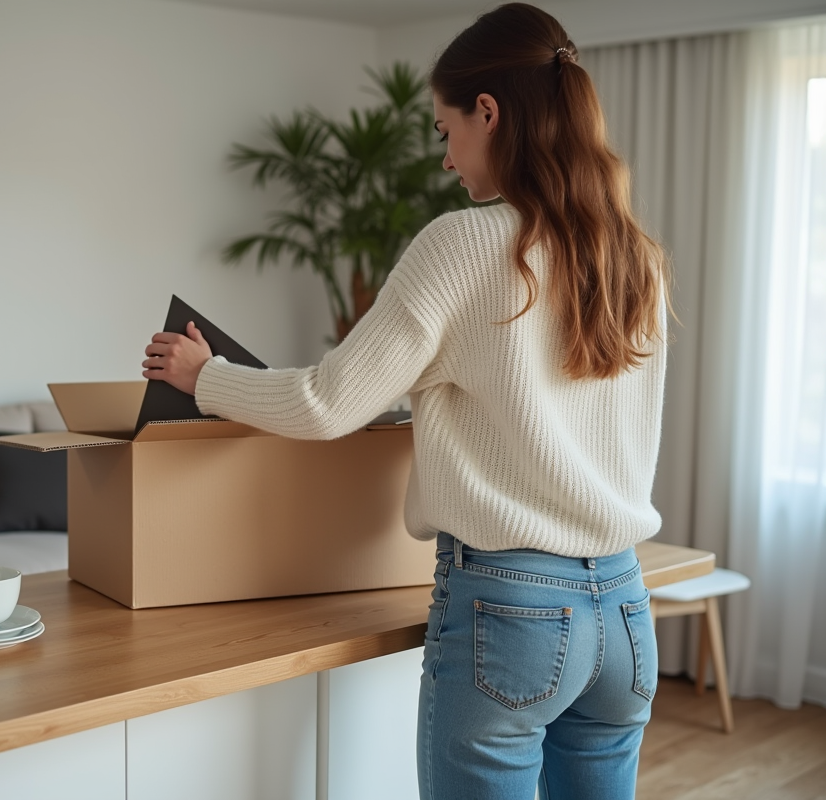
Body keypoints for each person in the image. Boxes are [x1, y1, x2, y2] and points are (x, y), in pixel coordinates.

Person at [141, 4, 669, 798]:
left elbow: (327, 402)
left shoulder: (462, 246)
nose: (448, 157)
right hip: (626, 612)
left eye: (444, 129)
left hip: (513, 616)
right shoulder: (636, 258)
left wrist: (202, 376)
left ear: (488, 113)